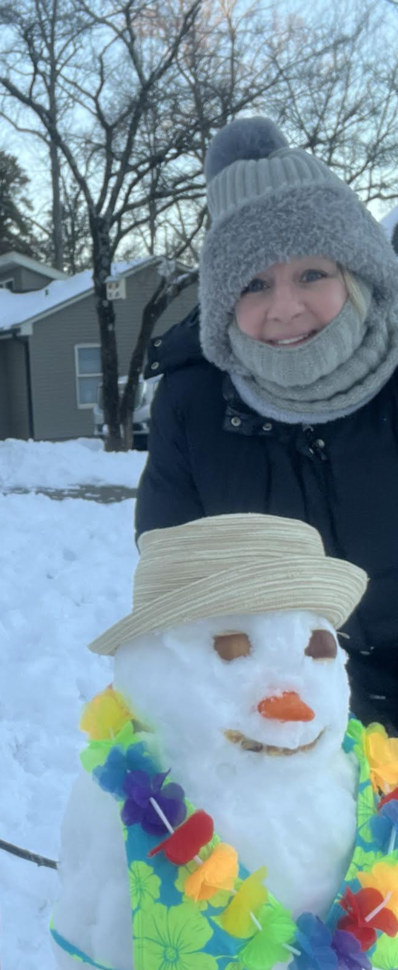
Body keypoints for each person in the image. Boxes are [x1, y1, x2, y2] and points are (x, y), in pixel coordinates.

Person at [136, 116, 398, 732]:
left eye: (312, 273)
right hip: (279, 716)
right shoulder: (192, 404)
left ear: (357, 276)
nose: (285, 307)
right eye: (254, 284)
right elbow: (173, 591)